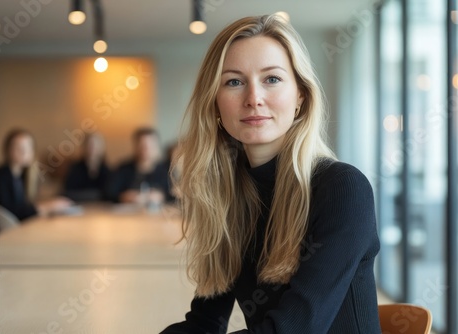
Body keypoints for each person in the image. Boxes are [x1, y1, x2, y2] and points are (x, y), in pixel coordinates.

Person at [161, 15, 381, 334]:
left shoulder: (343, 188)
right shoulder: (229, 196)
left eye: (272, 79)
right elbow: (205, 322)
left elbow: (294, 329)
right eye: (234, 81)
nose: (253, 98)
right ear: (215, 105)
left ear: (301, 96)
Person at [0, 129, 73, 223]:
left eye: (28, 147)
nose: (25, 152)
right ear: (8, 150)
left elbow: (26, 207)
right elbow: (12, 213)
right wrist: (47, 206)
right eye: (20, 148)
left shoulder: (23, 176)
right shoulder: (0, 176)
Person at [106, 127, 171, 205]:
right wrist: (124, 197)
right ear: (135, 146)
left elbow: (175, 196)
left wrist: (161, 196)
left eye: (150, 145)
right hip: (128, 214)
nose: (146, 149)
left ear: (157, 146)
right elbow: (108, 193)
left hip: (159, 215)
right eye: (142, 145)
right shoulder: (123, 169)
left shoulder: (167, 169)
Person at [63, 133, 110, 201]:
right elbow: (68, 191)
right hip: (78, 204)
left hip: (101, 207)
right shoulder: (75, 168)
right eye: (90, 145)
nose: (92, 149)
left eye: (96, 146)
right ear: (84, 147)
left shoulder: (106, 170)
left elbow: (109, 193)